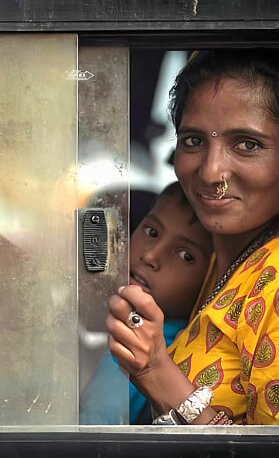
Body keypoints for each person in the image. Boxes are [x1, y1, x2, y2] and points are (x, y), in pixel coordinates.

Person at [106, 49, 279, 425]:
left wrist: (155, 372)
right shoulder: (226, 262)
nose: (211, 172)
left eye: (247, 144)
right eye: (194, 141)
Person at [80, 182, 213, 424]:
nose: (151, 256)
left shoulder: (142, 345)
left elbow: (95, 428)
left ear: (211, 279)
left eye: (186, 255)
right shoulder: (113, 323)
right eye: (152, 232)